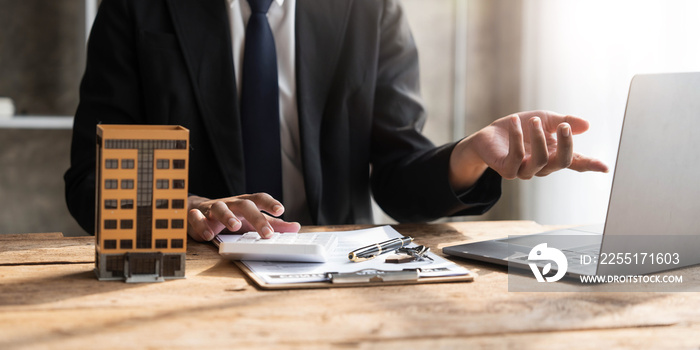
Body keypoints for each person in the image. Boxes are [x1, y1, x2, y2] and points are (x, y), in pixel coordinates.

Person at [65, 0, 607, 242]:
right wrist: (178, 207)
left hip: (332, 268)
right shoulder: (135, 8)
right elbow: (90, 180)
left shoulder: (370, 9)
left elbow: (397, 172)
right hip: (190, 268)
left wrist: (468, 156)